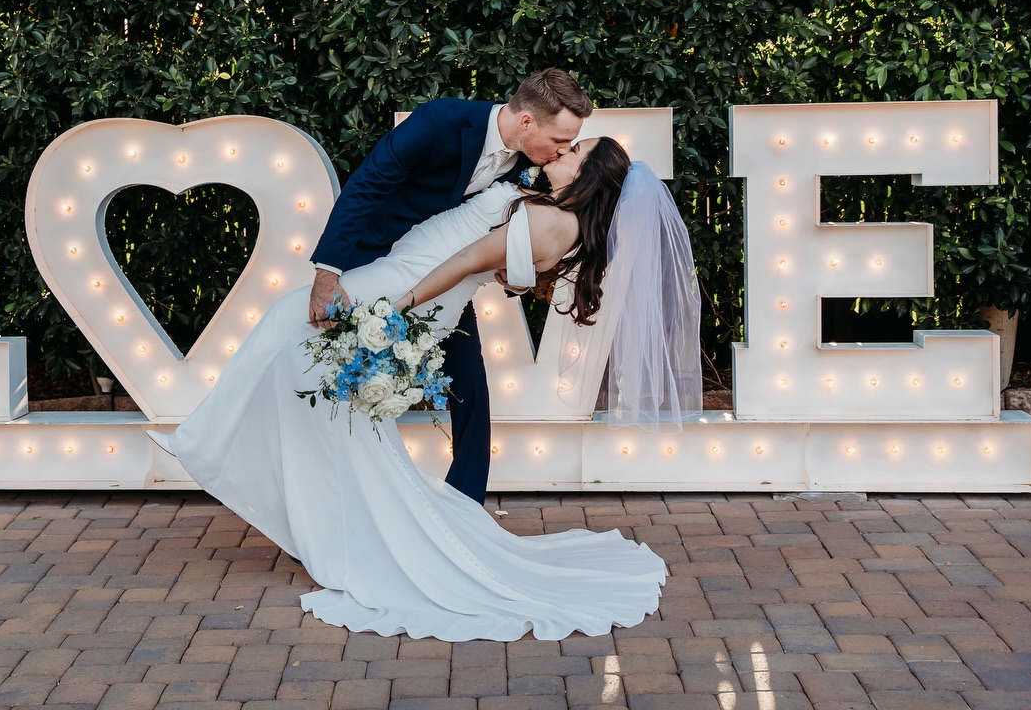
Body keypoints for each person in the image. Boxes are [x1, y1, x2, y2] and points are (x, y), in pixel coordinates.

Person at [149, 135, 702, 641]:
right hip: (415, 283)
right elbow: (509, 267)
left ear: (590, 175)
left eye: (576, 151)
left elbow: (465, 259)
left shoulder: (547, 220)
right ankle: (328, 529)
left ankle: (208, 445)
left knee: (291, 331)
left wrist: (398, 307)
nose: (563, 150)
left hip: (406, 286)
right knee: (339, 409)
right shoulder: (558, 217)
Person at [307, 68, 593, 504]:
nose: (563, 150)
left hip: (445, 283)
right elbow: (368, 184)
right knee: (343, 377)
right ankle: (337, 495)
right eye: (560, 139)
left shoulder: (532, 167)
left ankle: (466, 506)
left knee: (470, 385)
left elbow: (511, 240)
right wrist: (328, 273)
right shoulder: (441, 120)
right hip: (380, 265)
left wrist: (515, 276)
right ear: (527, 121)